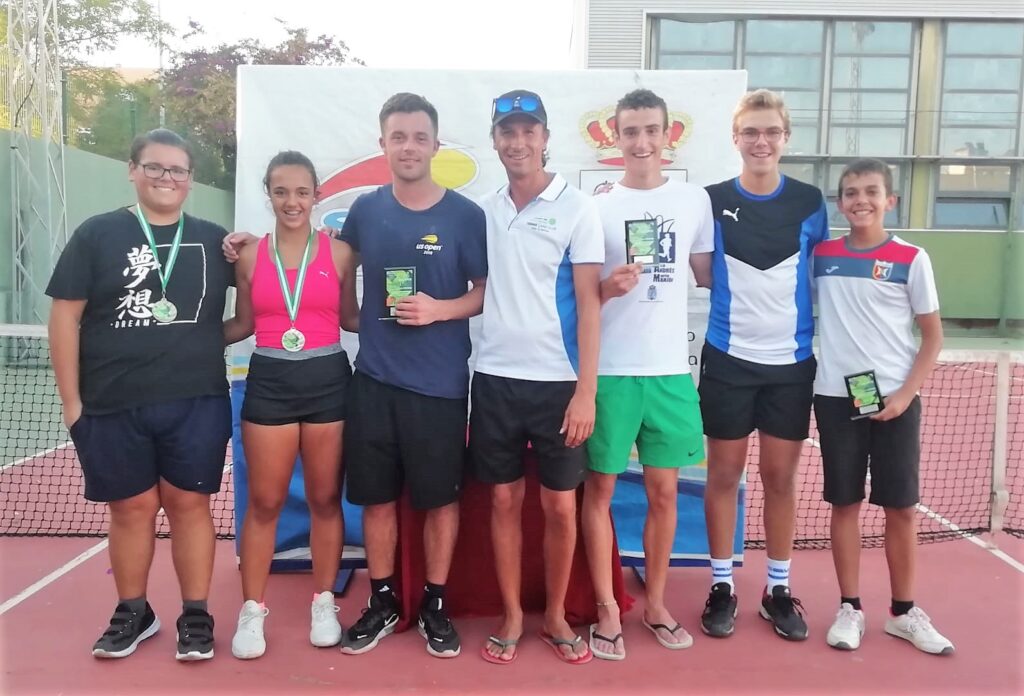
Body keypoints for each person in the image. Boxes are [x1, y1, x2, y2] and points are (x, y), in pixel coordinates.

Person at [47, 128, 233, 661]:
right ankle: (135, 611)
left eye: (177, 170)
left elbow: (268, 286)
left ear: (191, 180)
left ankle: (195, 614)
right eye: (155, 167)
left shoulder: (212, 239)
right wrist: (71, 401)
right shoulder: (97, 235)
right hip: (111, 401)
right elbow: (66, 317)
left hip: (196, 400)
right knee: (130, 508)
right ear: (132, 170)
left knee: (191, 504)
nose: (166, 178)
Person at [337, 93, 487, 658]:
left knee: (440, 502)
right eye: (398, 137)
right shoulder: (365, 210)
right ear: (382, 144)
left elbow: (484, 292)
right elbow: (329, 269)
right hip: (373, 381)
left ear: (435, 145)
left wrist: (440, 309)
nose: (408, 146)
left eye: (419, 137)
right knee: (375, 500)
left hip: (442, 388)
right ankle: (382, 601)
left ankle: (435, 603)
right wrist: (248, 249)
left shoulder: (466, 216)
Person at [471, 90, 603, 665]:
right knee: (502, 501)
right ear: (495, 139)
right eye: (507, 131)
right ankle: (512, 615)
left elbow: (591, 304)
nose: (517, 142)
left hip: (558, 384)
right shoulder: (485, 209)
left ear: (546, 137)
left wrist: (586, 393)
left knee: (559, 508)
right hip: (494, 380)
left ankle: (553, 615)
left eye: (528, 131)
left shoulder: (577, 208)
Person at [581, 88, 713, 661]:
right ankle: (608, 606)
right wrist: (608, 288)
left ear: (668, 136)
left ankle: (655, 602)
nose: (641, 141)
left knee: (664, 492)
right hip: (610, 373)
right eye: (630, 131)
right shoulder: (596, 205)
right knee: (601, 491)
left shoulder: (694, 201)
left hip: (669, 373)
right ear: (615, 136)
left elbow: (710, 277)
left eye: (651, 130)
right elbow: (580, 293)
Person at [699, 89, 829, 641]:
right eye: (750, 131)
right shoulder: (708, 201)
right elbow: (703, 272)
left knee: (779, 478)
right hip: (728, 359)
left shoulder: (809, 201)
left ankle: (778, 590)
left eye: (771, 131)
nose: (761, 141)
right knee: (724, 476)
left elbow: (818, 276)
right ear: (736, 138)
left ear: (785, 137)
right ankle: (722, 585)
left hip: (791, 365)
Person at [813, 158, 952, 655]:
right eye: (850, 193)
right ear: (840, 203)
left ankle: (903, 612)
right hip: (835, 396)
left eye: (871, 191)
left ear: (889, 200)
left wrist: (905, 394)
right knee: (843, 504)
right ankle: (850, 606)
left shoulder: (912, 258)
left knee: (901, 508)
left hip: (895, 398)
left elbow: (932, 337)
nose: (860, 200)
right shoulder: (822, 254)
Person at [223, 151, 357, 659]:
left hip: (328, 380)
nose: (292, 202)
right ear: (269, 195)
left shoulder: (342, 255)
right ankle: (252, 611)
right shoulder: (250, 256)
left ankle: (324, 602)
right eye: (281, 192)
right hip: (270, 380)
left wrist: (425, 317)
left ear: (316, 195)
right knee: (265, 503)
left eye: (302, 192)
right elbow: (240, 326)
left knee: (325, 499)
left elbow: (353, 321)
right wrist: (183, 345)